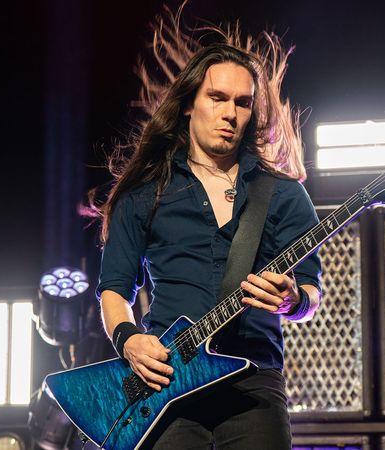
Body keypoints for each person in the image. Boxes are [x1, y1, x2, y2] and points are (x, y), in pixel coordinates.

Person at [94, 40, 322, 449]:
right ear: (188, 104)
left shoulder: (282, 194)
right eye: (216, 97)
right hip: (167, 381)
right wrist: (128, 340)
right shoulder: (146, 194)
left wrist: (293, 300)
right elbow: (114, 289)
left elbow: (310, 293)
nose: (230, 113)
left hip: (253, 382)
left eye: (243, 102)